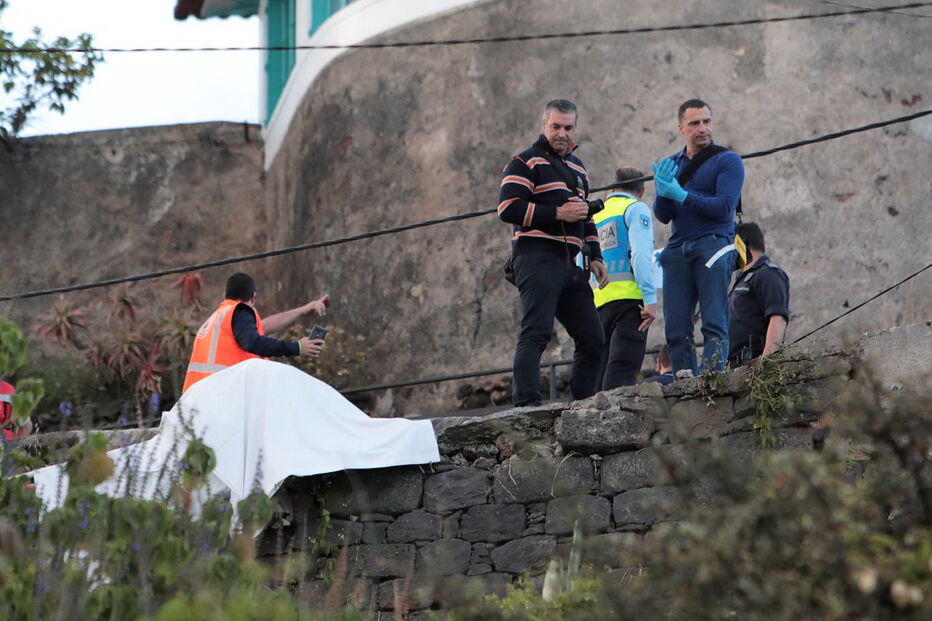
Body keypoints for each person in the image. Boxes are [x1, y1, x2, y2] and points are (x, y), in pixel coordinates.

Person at [498, 99, 608, 406]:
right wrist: (557, 213)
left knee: (593, 339)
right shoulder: (525, 161)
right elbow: (507, 208)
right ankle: (526, 406)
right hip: (536, 256)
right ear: (543, 125)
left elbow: (584, 215)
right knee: (537, 331)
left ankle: (582, 404)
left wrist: (596, 256)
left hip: (571, 263)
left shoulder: (579, 168)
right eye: (555, 126)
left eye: (568, 127)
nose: (562, 133)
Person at [652, 99, 745, 376]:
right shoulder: (672, 164)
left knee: (714, 319)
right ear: (681, 128)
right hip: (678, 248)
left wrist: (682, 195)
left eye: (706, 121)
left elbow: (723, 207)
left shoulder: (727, 160)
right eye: (694, 123)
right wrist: (664, 192)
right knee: (676, 327)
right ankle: (684, 381)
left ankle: (713, 376)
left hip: (713, 243)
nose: (702, 128)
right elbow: (663, 215)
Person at [182, 272, 328, 393]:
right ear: (253, 297)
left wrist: (302, 310)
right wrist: (297, 347)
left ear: (224, 295)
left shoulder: (219, 318)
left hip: (199, 399)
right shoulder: (240, 311)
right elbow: (254, 342)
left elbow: (263, 327)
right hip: (223, 396)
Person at [589, 166, 658, 389]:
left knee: (599, 370)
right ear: (642, 190)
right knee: (622, 369)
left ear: (614, 187)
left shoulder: (596, 213)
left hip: (597, 302)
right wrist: (649, 298)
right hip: (630, 303)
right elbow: (640, 255)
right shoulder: (635, 208)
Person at [728, 222, 790, 365]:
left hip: (753, 365)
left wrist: (765, 362)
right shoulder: (743, 278)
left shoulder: (768, 274)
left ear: (743, 244)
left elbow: (777, 318)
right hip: (736, 366)